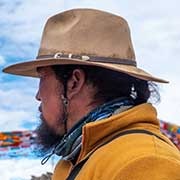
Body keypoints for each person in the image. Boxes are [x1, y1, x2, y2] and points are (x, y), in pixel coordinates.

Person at [3, 8, 180, 180]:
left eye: (42, 78)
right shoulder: (72, 162)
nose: (38, 96)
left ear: (74, 82)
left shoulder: (145, 164)